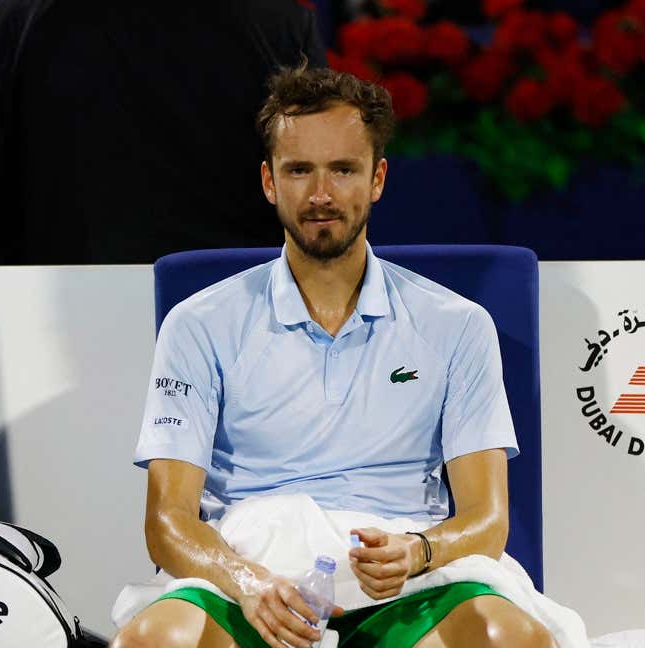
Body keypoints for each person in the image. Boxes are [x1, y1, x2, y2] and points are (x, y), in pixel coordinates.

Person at [112, 64, 556, 648]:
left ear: (377, 179)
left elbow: (486, 521)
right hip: (250, 579)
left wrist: (420, 552)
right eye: (300, 171)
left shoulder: (459, 326)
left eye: (343, 170)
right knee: (153, 640)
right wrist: (248, 582)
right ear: (270, 182)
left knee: (509, 636)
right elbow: (168, 523)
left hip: (404, 584)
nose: (322, 195)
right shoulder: (197, 324)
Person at [0, 1, 325, 264]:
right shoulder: (282, 24)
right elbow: (317, 195)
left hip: (73, 315)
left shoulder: (8, 19)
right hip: (241, 314)